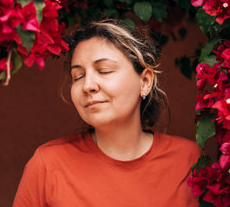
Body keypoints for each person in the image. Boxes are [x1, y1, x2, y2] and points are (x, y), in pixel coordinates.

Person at [13, 20, 201, 206]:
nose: (87, 86)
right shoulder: (48, 163)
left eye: (104, 70)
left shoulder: (188, 160)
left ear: (145, 81)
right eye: (78, 76)